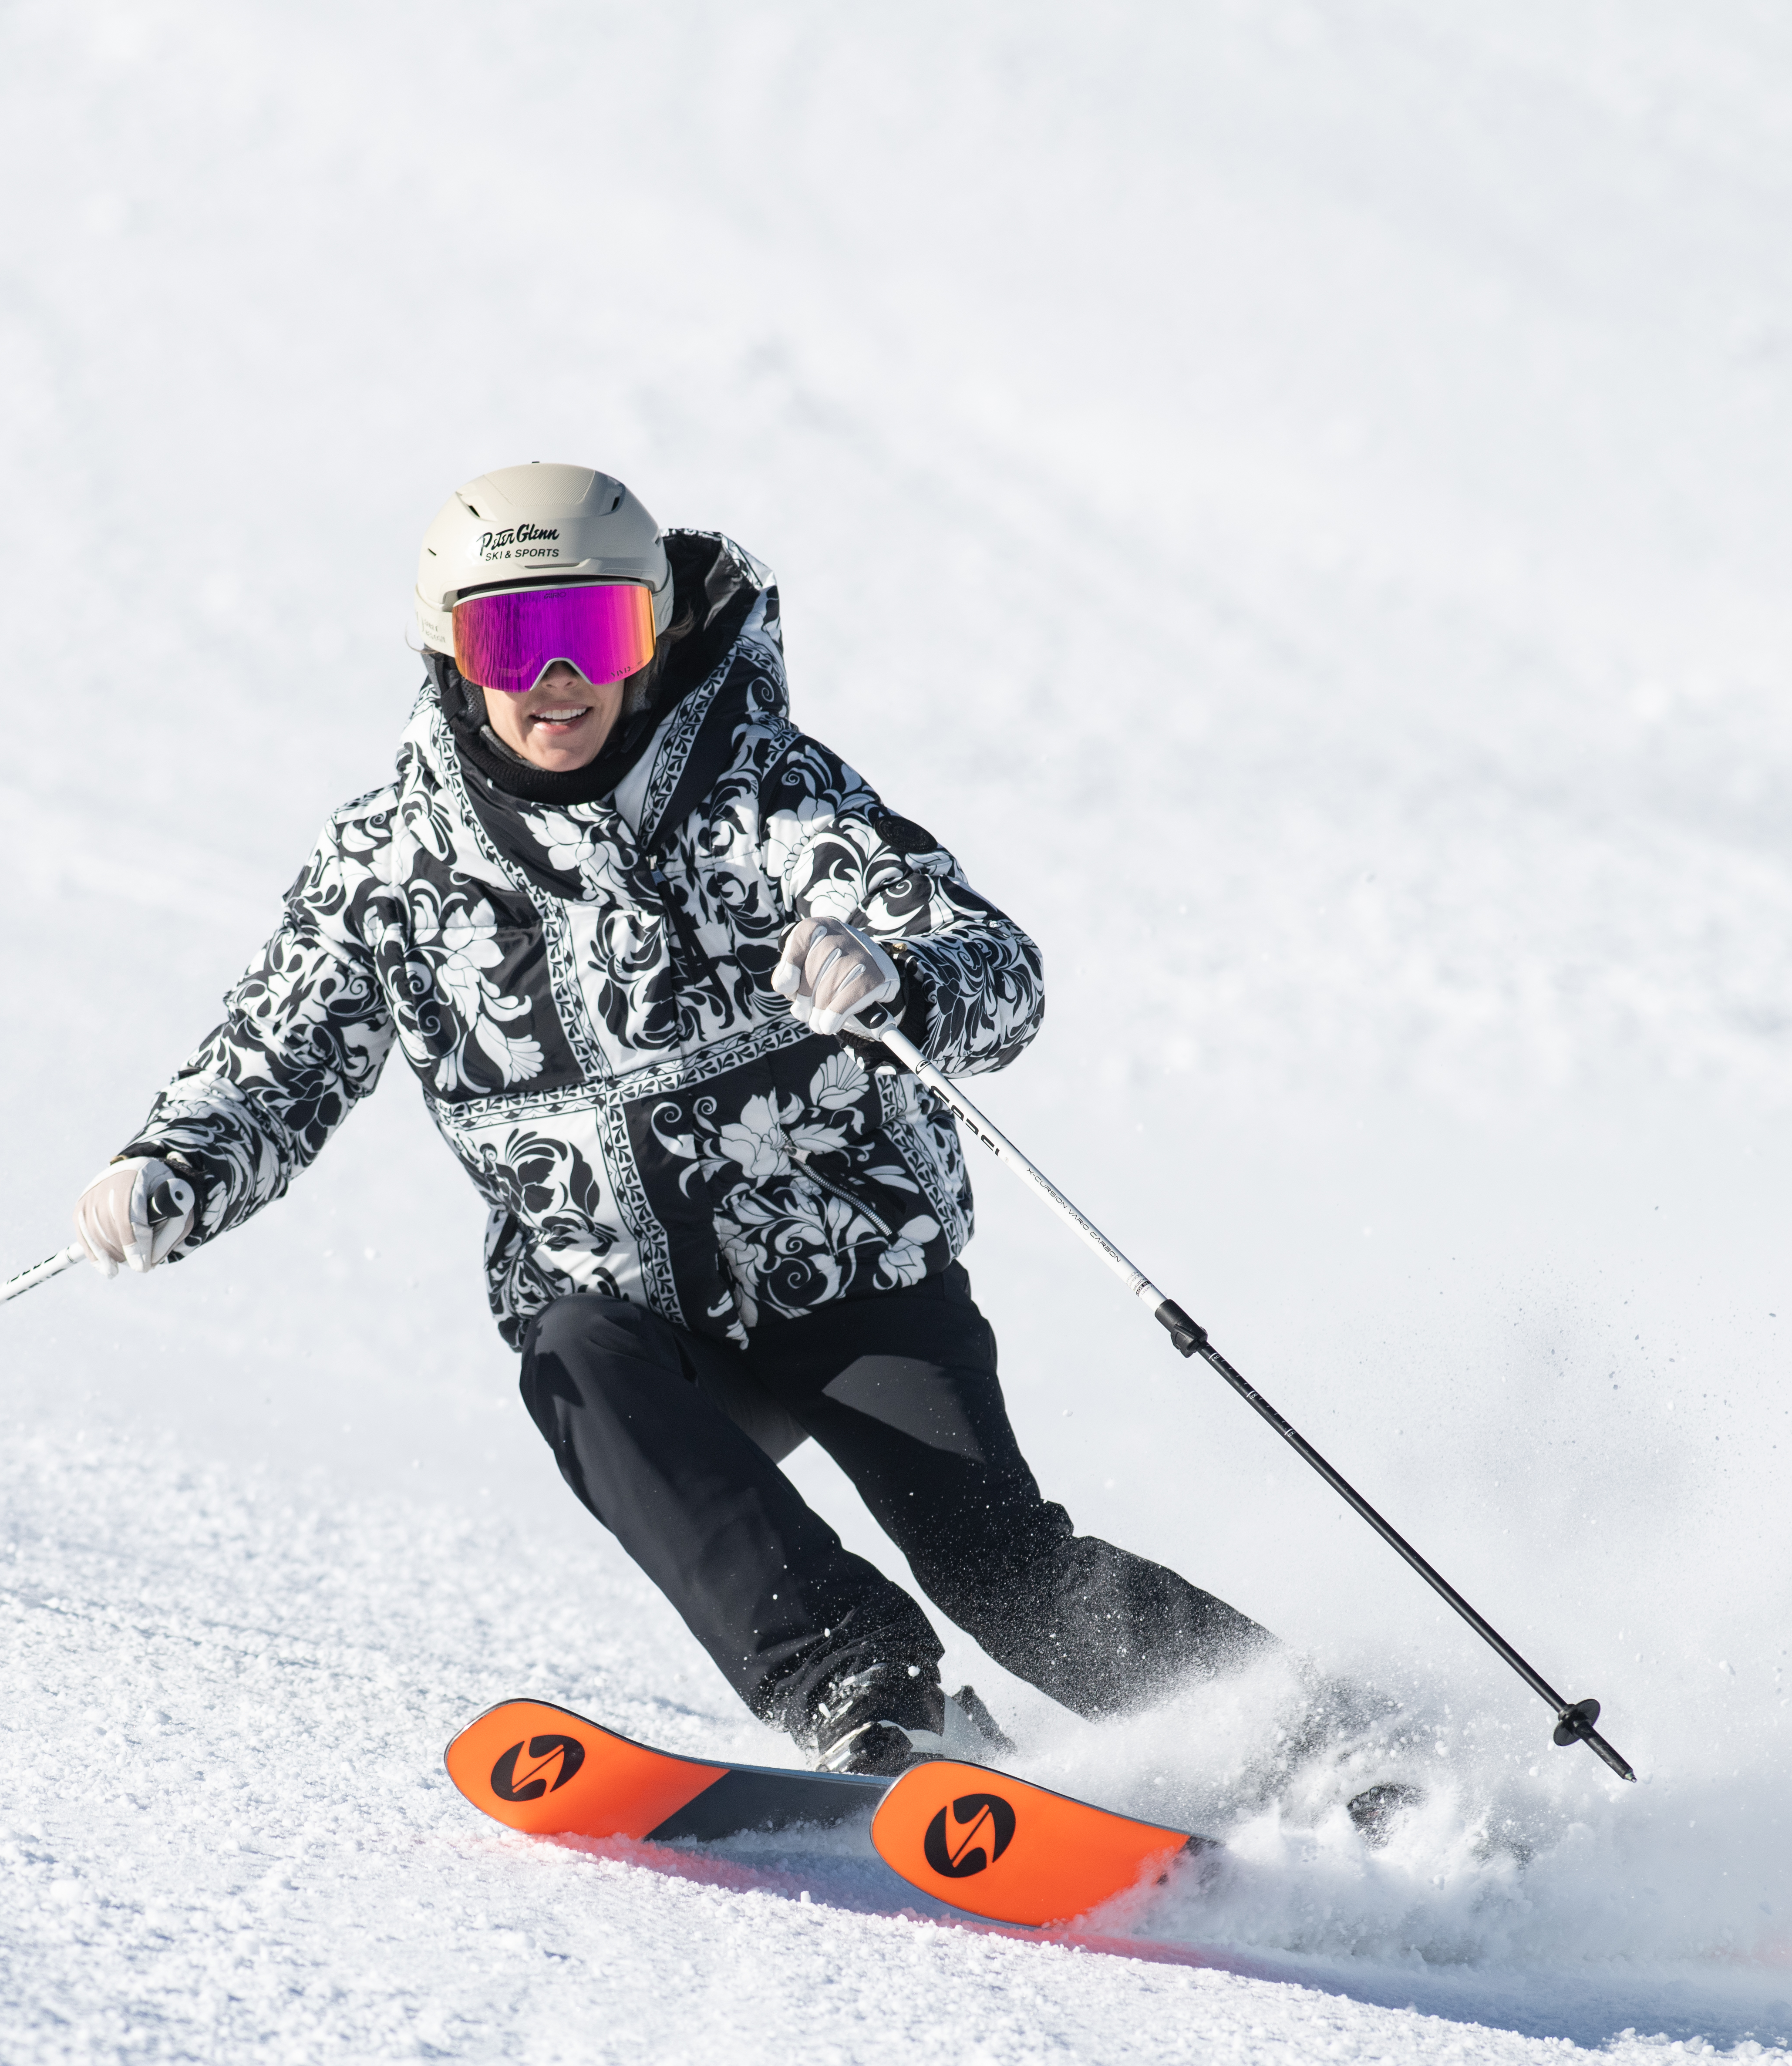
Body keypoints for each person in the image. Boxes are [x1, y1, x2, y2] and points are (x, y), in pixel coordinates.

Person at [73, 463, 1279, 1776]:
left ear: (647, 631)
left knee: (998, 1569)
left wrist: (898, 978)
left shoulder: (762, 795)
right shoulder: (390, 868)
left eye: (591, 632)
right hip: (632, 1316)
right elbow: (279, 1055)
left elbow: (997, 967)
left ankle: (1312, 1735)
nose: (556, 680)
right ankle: (866, 1689)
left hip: (851, 1267)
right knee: (572, 1359)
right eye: (511, 640)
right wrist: (173, 1163)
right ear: (449, 653)